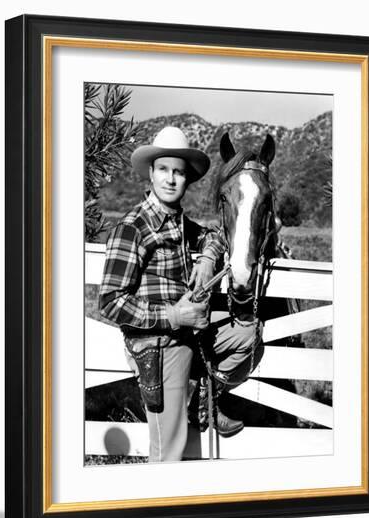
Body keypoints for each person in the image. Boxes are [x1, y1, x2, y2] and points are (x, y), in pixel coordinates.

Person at [99, 127, 260, 462]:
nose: (171, 179)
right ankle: (158, 510)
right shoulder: (134, 228)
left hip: (190, 334)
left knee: (248, 336)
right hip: (160, 345)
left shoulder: (181, 225)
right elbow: (111, 302)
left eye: (179, 172)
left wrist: (207, 256)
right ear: (151, 173)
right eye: (164, 170)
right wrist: (172, 315)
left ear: (187, 179)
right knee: (169, 451)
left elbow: (215, 235)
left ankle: (204, 393)